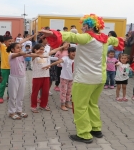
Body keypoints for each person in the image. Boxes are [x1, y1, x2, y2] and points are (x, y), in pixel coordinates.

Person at [39, 14, 124, 143]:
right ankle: (96, 129)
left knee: (80, 106)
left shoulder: (87, 37)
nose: (82, 28)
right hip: (100, 78)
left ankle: (84, 133)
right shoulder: (106, 39)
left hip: (85, 78)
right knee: (92, 104)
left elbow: (71, 36)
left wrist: (51, 33)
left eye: (83, 25)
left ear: (89, 26)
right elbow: (118, 41)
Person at [7, 42, 46, 119]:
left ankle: (19, 110)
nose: (20, 49)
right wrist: (27, 52)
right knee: (13, 96)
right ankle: (11, 112)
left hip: (23, 77)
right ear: (12, 49)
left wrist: (38, 54)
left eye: (20, 48)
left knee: (20, 95)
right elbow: (19, 54)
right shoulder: (11, 55)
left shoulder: (23, 55)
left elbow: (30, 55)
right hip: (14, 77)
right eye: (17, 48)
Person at [30, 43, 69, 113]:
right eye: (41, 49)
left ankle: (43, 105)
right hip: (37, 77)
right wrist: (37, 53)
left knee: (45, 92)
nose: (42, 51)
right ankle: (33, 106)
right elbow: (33, 55)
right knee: (35, 92)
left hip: (46, 76)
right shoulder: (34, 56)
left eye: (43, 49)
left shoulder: (45, 54)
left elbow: (53, 51)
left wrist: (63, 46)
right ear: (35, 49)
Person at [43, 47, 76, 111]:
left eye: (75, 52)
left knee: (69, 91)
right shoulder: (65, 58)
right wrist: (49, 65)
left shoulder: (76, 59)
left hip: (71, 78)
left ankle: (67, 103)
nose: (74, 53)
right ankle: (62, 105)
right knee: (64, 91)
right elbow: (59, 61)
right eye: (72, 52)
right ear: (68, 53)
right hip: (64, 78)